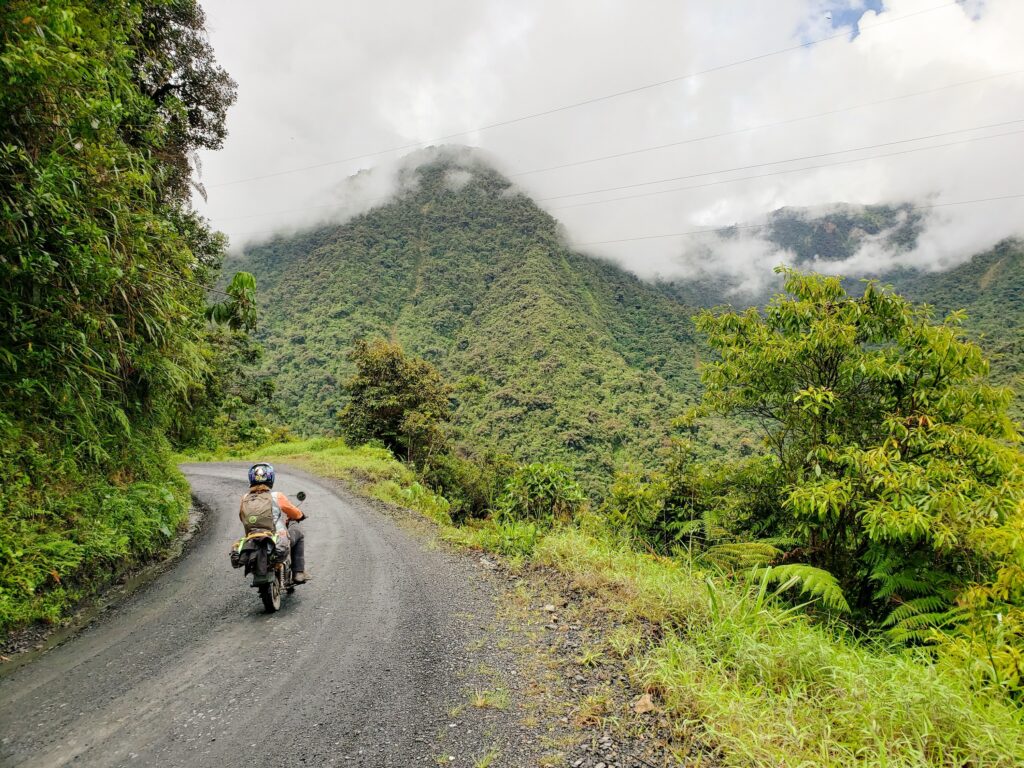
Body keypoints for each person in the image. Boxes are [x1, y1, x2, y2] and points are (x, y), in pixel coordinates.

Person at [241, 462, 310, 583]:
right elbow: (294, 512)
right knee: (298, 535)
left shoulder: (245, 497)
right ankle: (298, 572)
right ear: (271, 478)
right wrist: (300, 515)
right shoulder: (277, 496)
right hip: (276, 537)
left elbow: (242, 517)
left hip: (253, 538)